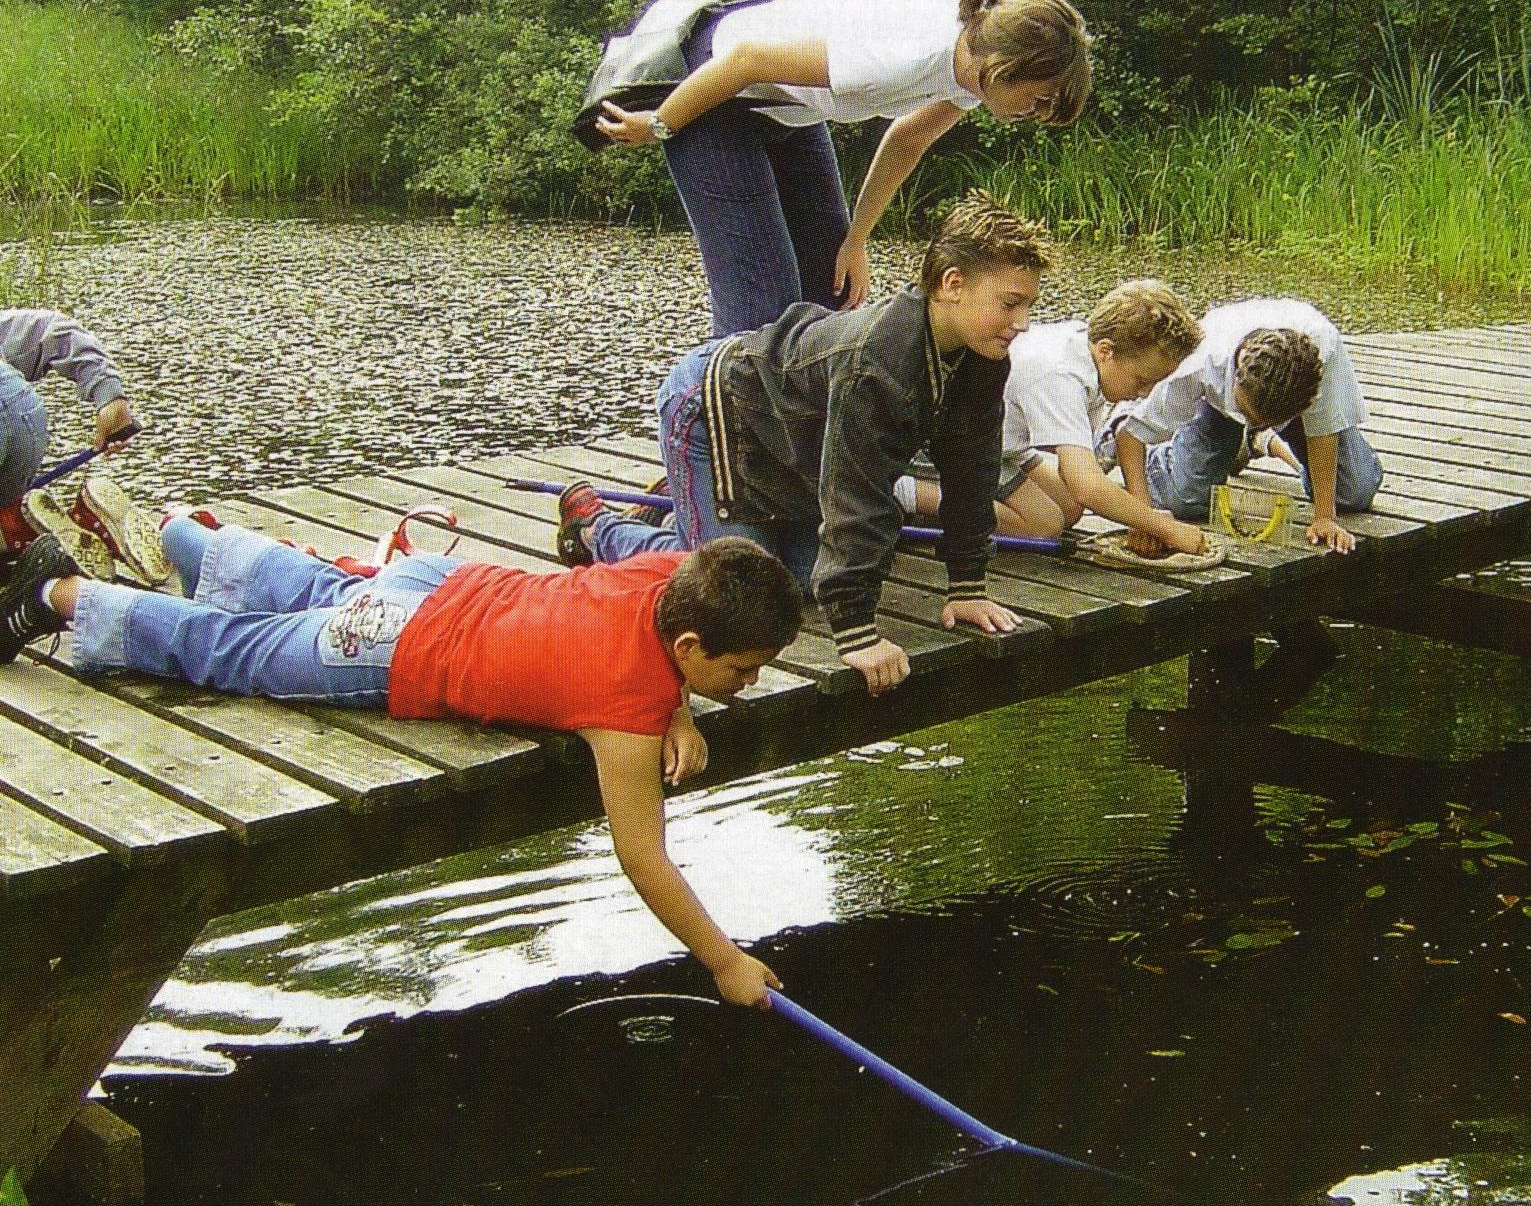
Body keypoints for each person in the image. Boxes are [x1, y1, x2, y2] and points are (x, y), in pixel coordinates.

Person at [0, 520, 806, 1008]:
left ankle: (194, 543)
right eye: (741, 670)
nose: (750, 683)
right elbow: (643, 858)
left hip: (439, 581)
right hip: (395, 649)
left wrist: (682, 705)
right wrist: (723, 961)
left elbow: (667, 637)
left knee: (318, 585)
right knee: (233, 652)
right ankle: (60, 596)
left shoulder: (674, 575)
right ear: (691, 647)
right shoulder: (624, 710)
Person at [560, 192, 1046, 696]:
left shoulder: (981, 355)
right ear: (952, 284)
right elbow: (857, 495)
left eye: (1029, 304)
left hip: (784, 443)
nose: (1023, 322)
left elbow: (972, 469)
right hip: (711, 408)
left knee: (801, 584)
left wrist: (966, 584)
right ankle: (597, 530)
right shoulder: (875, 362)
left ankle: (687, 506)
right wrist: (857, 633)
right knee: (731, 593)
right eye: (1011, 303)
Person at [592, 0, 1092, 335]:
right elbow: (745, 60)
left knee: (832, 297)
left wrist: (856, 238)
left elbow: (906, 141)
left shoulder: (968, 70)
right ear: (1006, 65)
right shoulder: (908, 53)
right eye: (1039, 97)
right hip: (714, 91)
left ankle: (800, 456)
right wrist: (659, 124)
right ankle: (706, 446)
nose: (1035, 112)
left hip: (789, 111)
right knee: (763, 319)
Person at [891, 278, 1209, 550]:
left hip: (1004, 444)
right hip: (950, 443)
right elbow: (1088, 484)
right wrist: (1164, 527)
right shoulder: (1059, 375)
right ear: (1106, 350)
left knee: (1070, 508)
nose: (1145, 393)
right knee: (1042, 525)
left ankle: (955, 504)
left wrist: (1143, 515)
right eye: (1142, 381)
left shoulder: (1089, 354)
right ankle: (905, 492)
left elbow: (1081, 489)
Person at [1113, 298, 1383, 555]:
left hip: (1288, 405)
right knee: (1187, 500)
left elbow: (1322, 431)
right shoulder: (1199, 363)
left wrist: (1325, 517)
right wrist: (1143, 517)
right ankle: (1153, 443)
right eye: (1249, 415)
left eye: (1263, 422)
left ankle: (1257, 439)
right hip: (1216, 408)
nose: (1252, 419)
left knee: (1352, 495)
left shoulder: (1322, 355)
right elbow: (1132, 435)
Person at [0, 308, 166, 582]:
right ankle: (78, 522)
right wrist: (109, 395)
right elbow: (51, 330)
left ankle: (26, 536)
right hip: (22, 409)